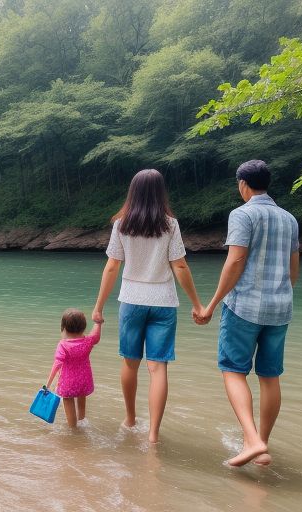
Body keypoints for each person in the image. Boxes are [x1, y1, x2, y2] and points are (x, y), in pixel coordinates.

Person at [194, 160, 299, 467]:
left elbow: (235, 261)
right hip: (281, 308)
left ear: (243, 184)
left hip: (245, 306)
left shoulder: (243, 214)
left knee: (232, 370)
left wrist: (211, 305)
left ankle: (251, 440)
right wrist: (278, 292)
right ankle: (262, 445)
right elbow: (294, 272)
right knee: (270, 375)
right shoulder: (289, 219)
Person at [92, 169, 203, 444]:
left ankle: (130, 419)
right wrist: (197, 304)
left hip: (131, 300)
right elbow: (179, 265)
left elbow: (111, 266)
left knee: (130, 363)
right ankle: (153, 435)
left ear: (133, 192)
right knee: (158, 368)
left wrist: (99, 307)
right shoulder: (170, 224)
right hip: (163, 302)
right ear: (160, 192)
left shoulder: (122, 224)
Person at [46, 309, 102, 427]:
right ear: (84, 327)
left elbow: (57, 365)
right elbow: (96, 336)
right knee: (81, 397)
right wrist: (98, 323)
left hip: (68, 383)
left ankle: (73, 428)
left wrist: (48, 384)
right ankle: (82, 420)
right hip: (84, 381)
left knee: (67, 399)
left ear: (64, 327)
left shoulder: (63, 344)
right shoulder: (88, 341)